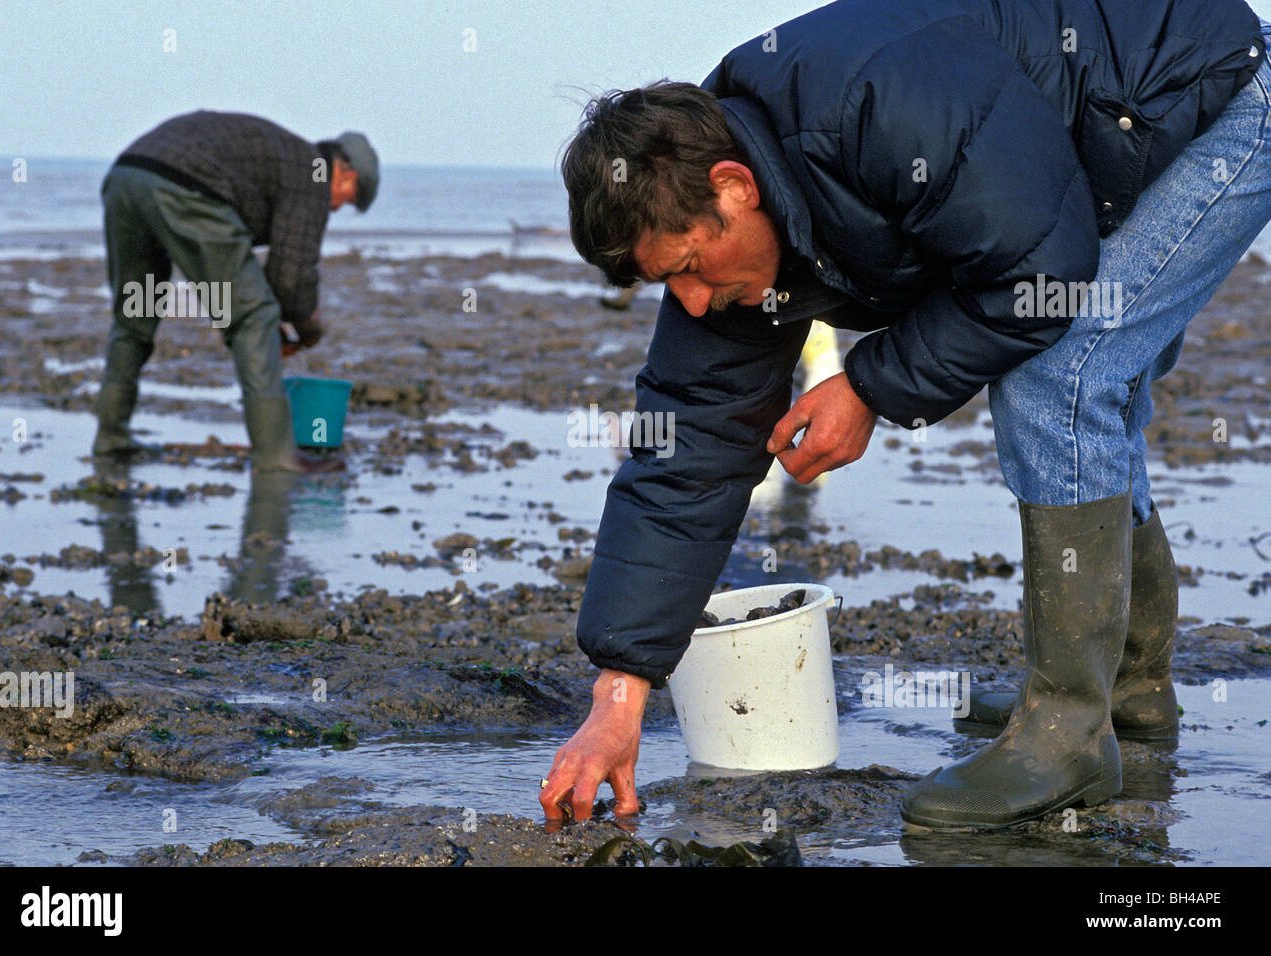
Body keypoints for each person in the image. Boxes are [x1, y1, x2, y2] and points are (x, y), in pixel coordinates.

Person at [542, 0, 1271, 830]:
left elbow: (1042, 278)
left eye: (687, 270)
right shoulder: (713, 206)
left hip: (1221, 88)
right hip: (1094, 144)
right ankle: (1130, 693)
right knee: (1087, 374)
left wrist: (868, 389)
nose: (694, 305)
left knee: (1059, 372)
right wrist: (619, 694)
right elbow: (688, 449)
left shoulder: (873, 106)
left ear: (735, 189)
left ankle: (1071, 727)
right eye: (665, 285)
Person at [93, 111, 379, 473]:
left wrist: (256, 304)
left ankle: (111, 438)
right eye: (348, 200)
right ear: (345, 172)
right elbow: (291, 275)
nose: (336, 208)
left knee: (136, 315)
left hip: (127, 179)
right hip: (185, 187)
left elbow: (262, 271)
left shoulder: (285, 157)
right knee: (254, 319)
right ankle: (277, 456)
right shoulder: (313, 173)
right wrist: (309, 330)